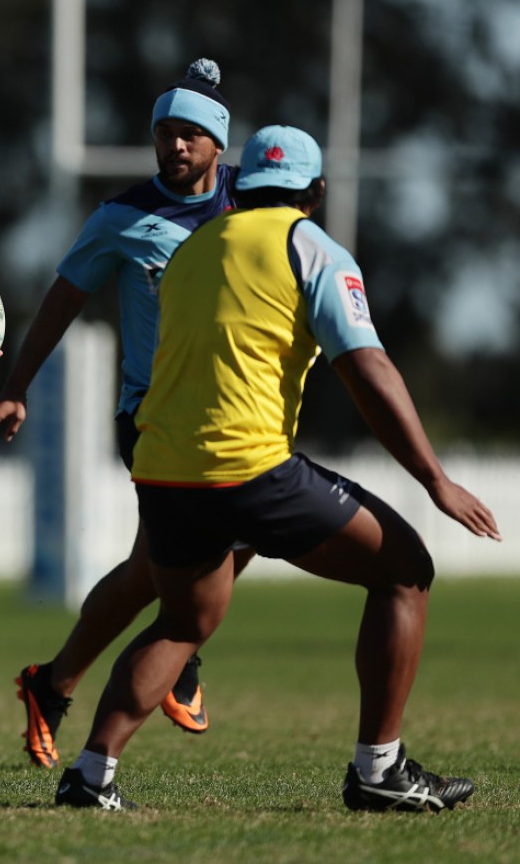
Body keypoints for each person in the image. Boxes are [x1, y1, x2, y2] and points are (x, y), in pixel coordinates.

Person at [55, 124, 501, 811]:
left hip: (164, 472)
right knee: (406, 572)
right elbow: (367, 369)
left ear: (239, 186)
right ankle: (379, 770)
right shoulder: (311, 247)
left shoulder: (192, 250)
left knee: (181, 622)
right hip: (250, 471)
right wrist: (433, 479)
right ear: (314, 193)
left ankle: (89, 774)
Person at [0, 58, 251, 768]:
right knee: (220, 544)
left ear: (219, 143)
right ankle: (176, 650)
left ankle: (54, 680)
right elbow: (62, 298)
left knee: (153, 569)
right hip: (153, 418)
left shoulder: (252, 209)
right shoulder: (122, 219)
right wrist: (17, 385)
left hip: (236, 416)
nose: (175, 146)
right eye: (165, 132)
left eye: (191, 133)